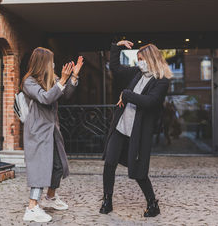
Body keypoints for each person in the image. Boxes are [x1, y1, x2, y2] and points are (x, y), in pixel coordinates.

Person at [100, 40, 172, 217]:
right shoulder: (137, 73)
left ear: (151, 59)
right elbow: (115, 68)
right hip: (120, 127)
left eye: (141, 59)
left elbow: (150, 102)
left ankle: (152, 203)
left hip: (138, 133)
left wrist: (126, 94)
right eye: (138, 58)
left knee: (138, 170)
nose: (139, 62)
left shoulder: (161, 81)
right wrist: (117, 46)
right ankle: (107, 199)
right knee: (110, 162)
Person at [21, 47, 84, 223]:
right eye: (51, 61)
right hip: (38, 131)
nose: (53, 64)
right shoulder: (29, 82)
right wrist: (62, 80)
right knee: (39, 168)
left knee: (57, 166)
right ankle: (32, 208)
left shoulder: (51, 79)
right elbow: (46, 98)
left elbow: (67, 94)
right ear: (43, 62)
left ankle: (50, 197)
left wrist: (74, 77)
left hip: (52, 129)